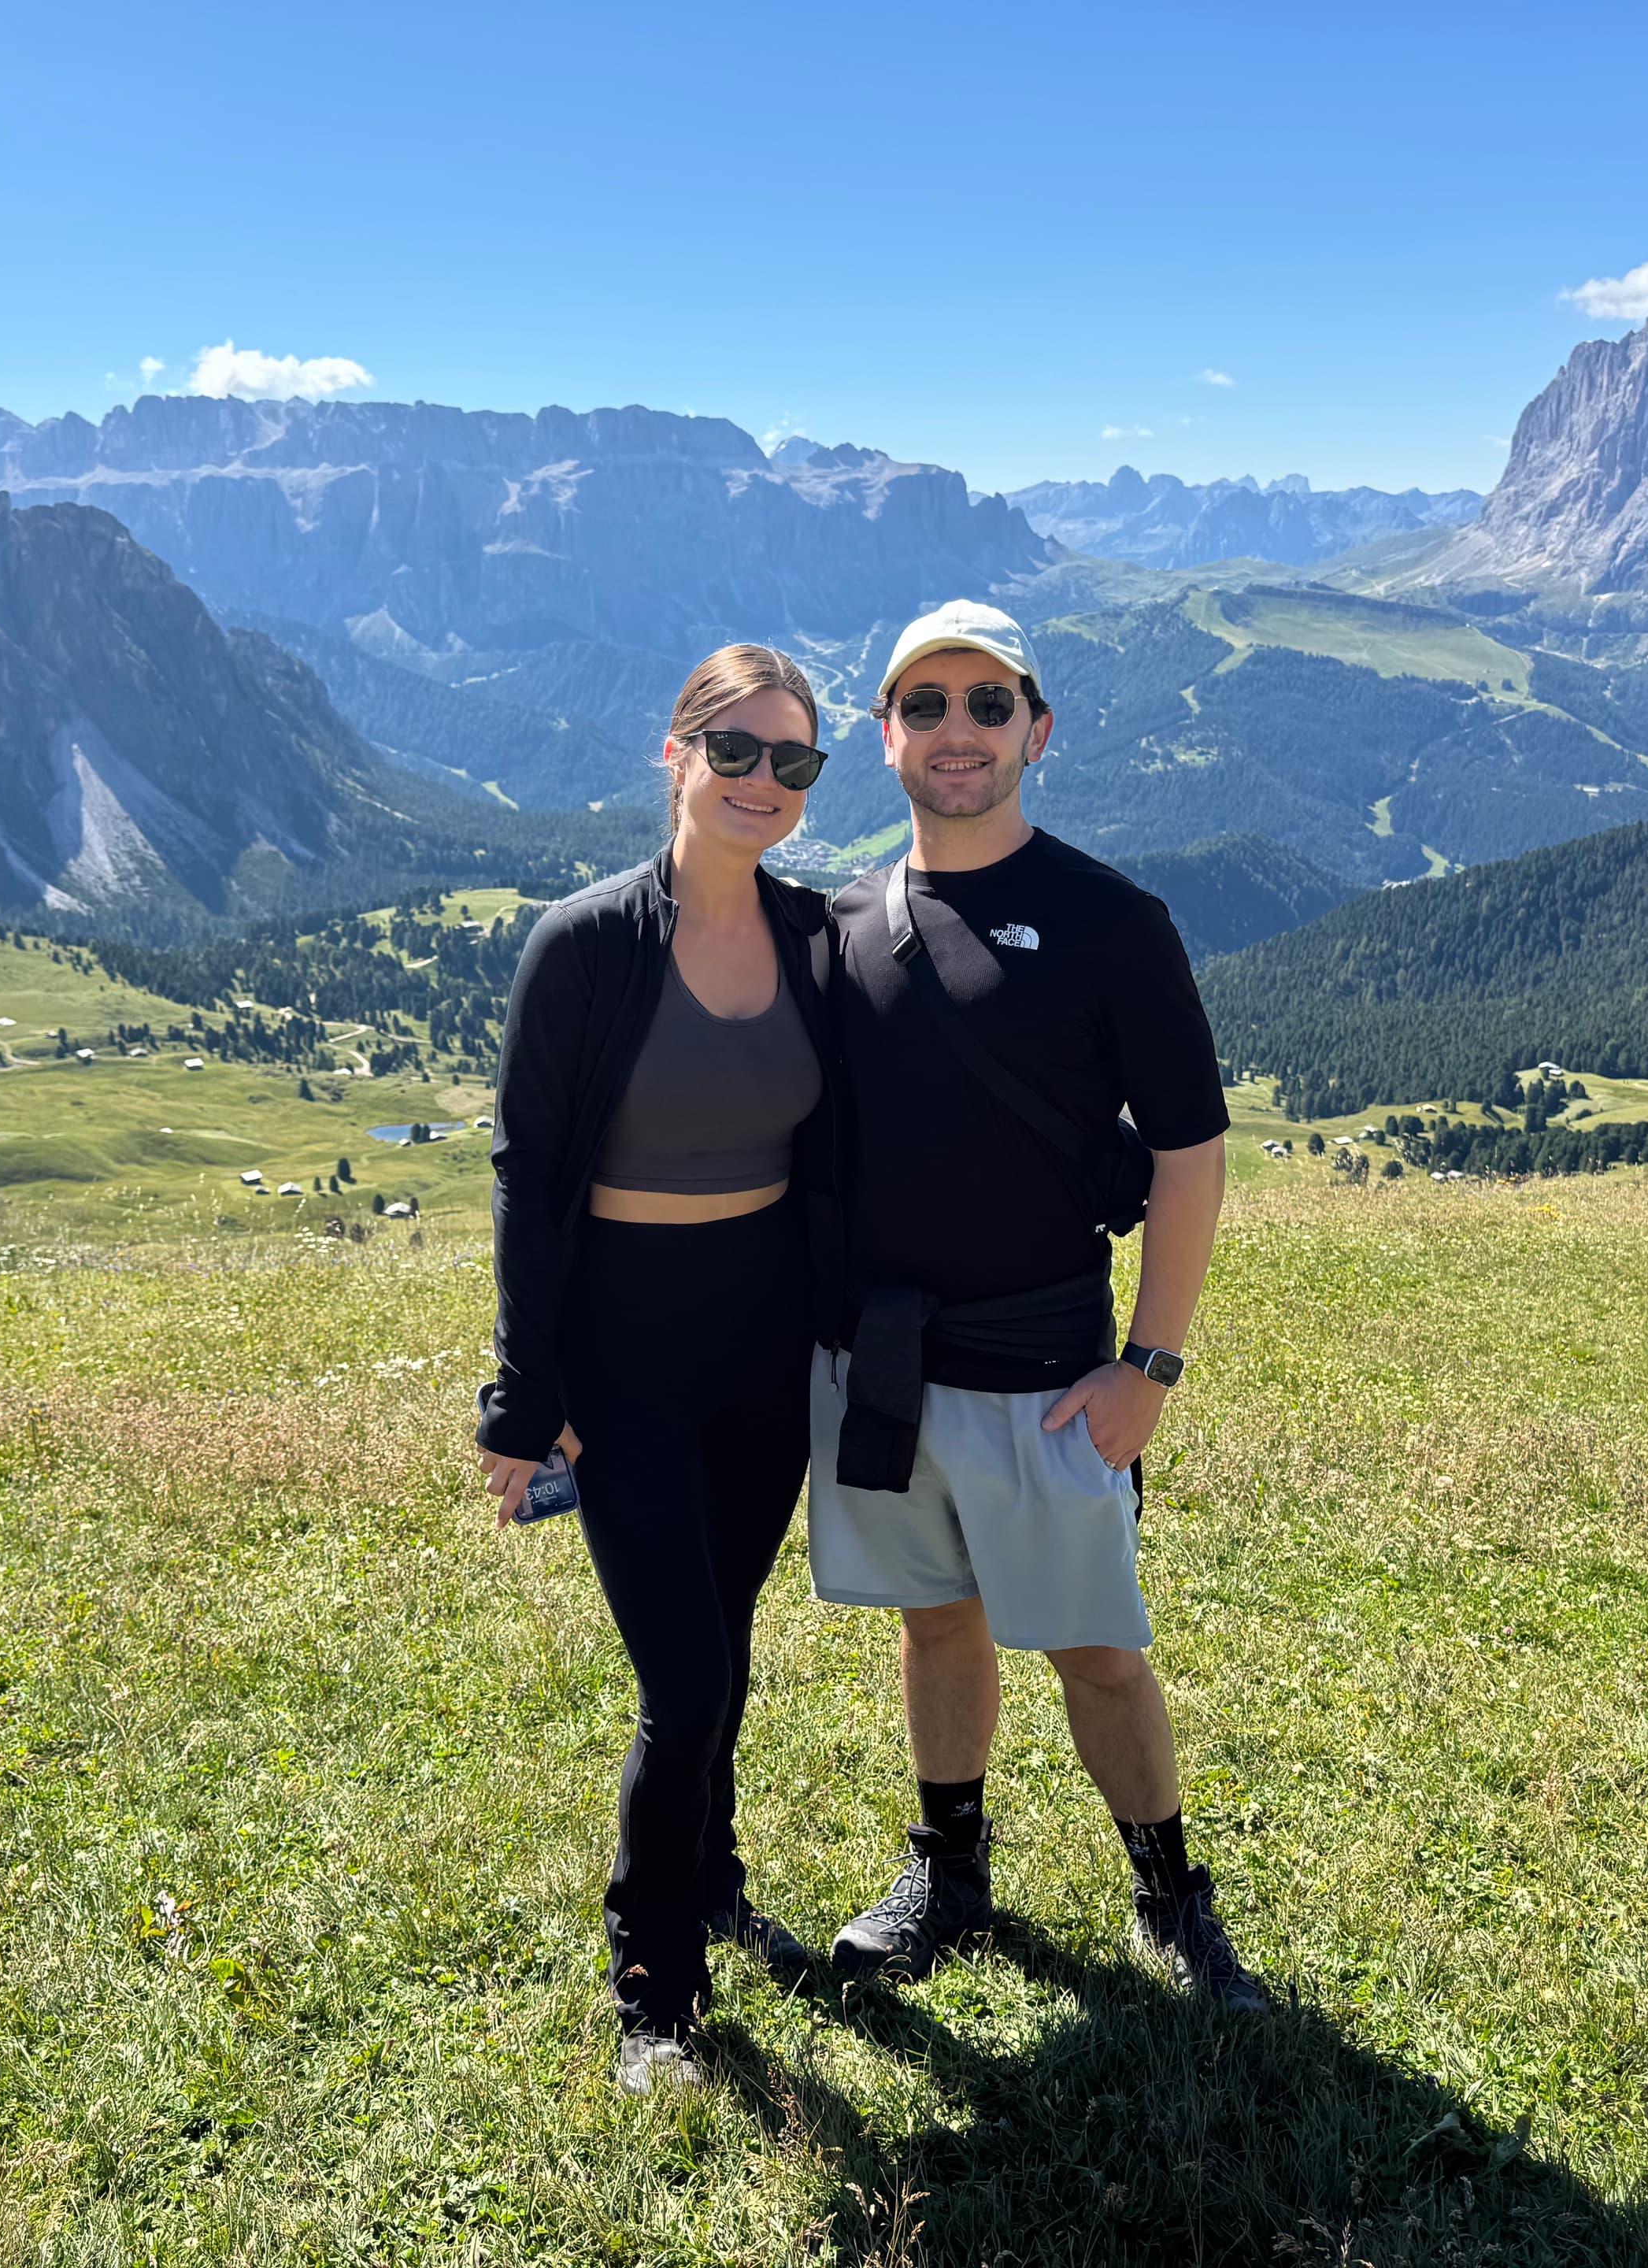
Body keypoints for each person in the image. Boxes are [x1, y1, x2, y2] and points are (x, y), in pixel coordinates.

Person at [808, 599, 1266, 2009]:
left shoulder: (1115, 925)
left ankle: (1171, 1899)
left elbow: (1190, 1156)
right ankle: (948, 1876)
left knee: (1099, 1652)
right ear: (886, 736)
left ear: (1038, 730)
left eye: (988, 705)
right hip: (884, 1369)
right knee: (932, 1621)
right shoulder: (842, 928)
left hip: (1052, 1373)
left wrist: (1152, 1366)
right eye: (926, 706)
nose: (959, 731)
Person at [474, 644, 845, 2095]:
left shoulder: (816, 937)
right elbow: (528, 1176)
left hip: (765, 1345)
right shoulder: (585, 946)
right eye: (735, 750)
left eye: (793, 761)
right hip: (622, 1349)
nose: (763, 780)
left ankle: (713, 1875)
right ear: (675, 756)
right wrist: (526, 1398)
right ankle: (655, 1985)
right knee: (683, 1683)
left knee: (724, 1640)